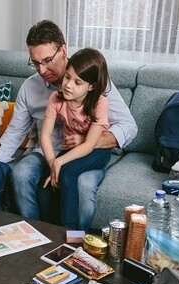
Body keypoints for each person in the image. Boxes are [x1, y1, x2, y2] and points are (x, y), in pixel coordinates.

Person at [0, 20, 138, 231]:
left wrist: (91, 140)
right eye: (35, 63)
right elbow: (15, 132)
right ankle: (37, 237)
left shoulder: (93, 80)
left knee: (84, 186)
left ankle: (76, 243)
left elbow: (129, 126)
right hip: (46, 152)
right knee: (21, 175)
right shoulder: (31, 88)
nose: (42, 70)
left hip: (85, 152)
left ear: (63, 50)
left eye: (47, 61)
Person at [41, 48, 112, 229]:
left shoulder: (99, 103)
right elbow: (45, 135)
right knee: (48, 183)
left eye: (77, 82)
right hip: (70, 149)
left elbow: (89, 145)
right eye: (67, 77)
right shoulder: (56, 99)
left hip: (97, 151)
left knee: (68, 172)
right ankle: (50, 232)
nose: (68, 85)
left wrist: (60, 163)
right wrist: (52, 163)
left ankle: (69, 234)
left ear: (92, 86)